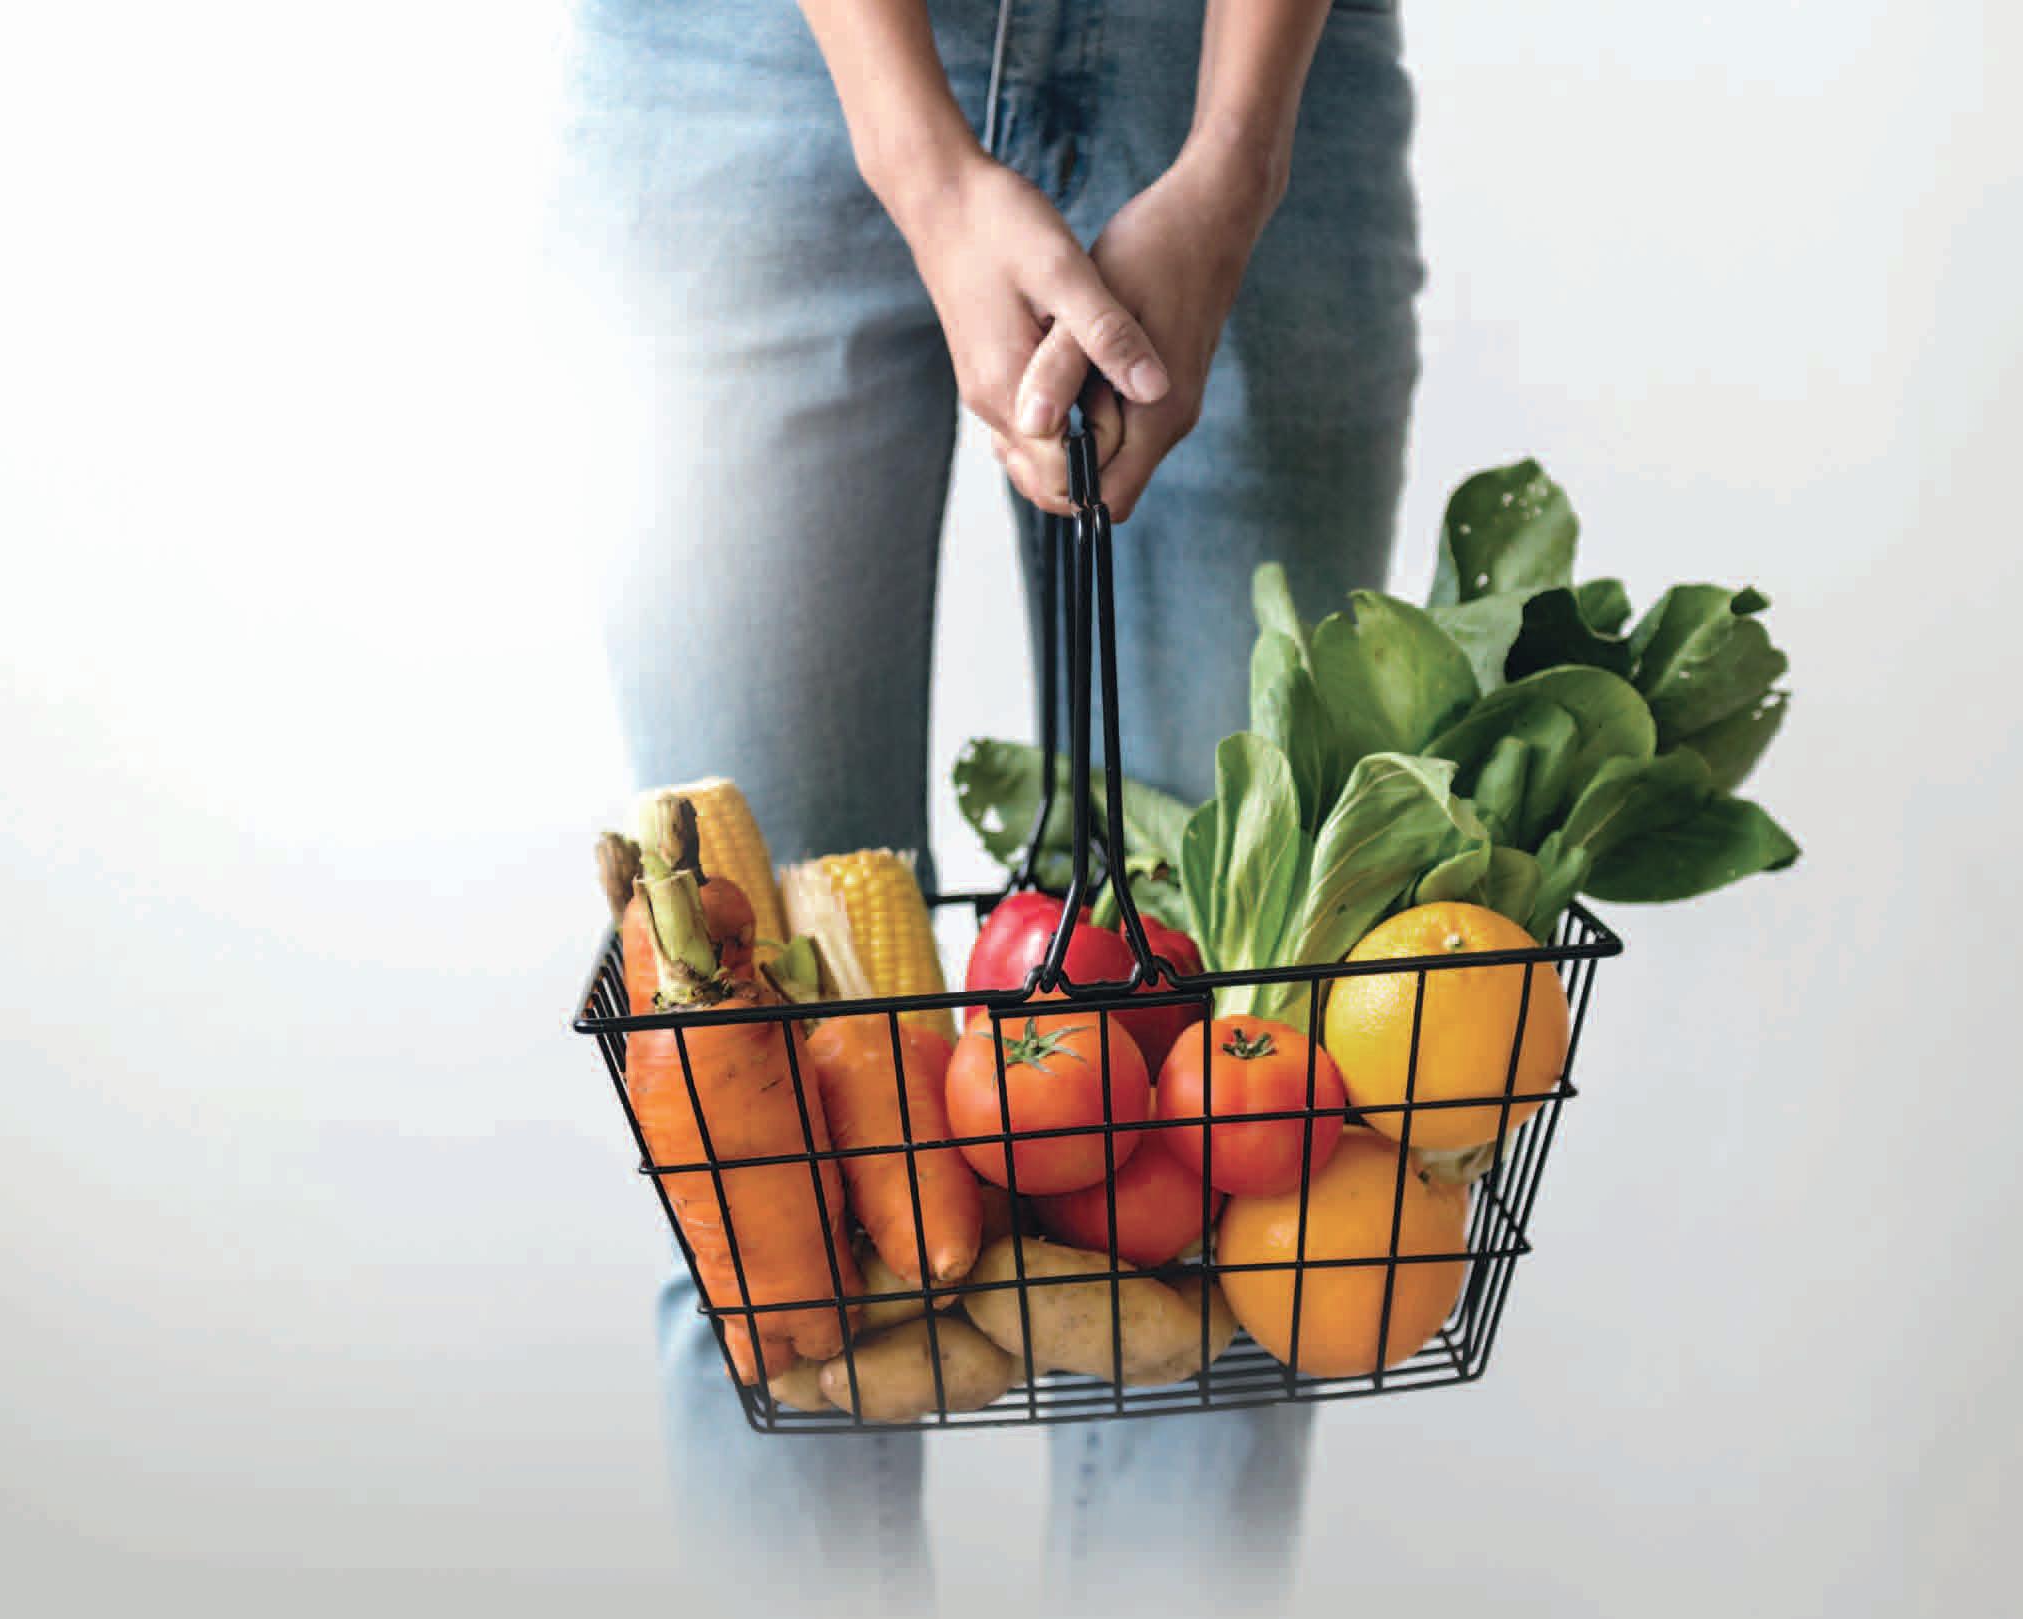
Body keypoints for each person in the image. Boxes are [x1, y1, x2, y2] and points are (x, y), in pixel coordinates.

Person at [563, 1, 1420, 1611]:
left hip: (1236, 61)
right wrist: (920, 161)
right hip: (749, 68)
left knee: (1243, 1187)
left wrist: (1235, 161)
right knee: (772, 1212)